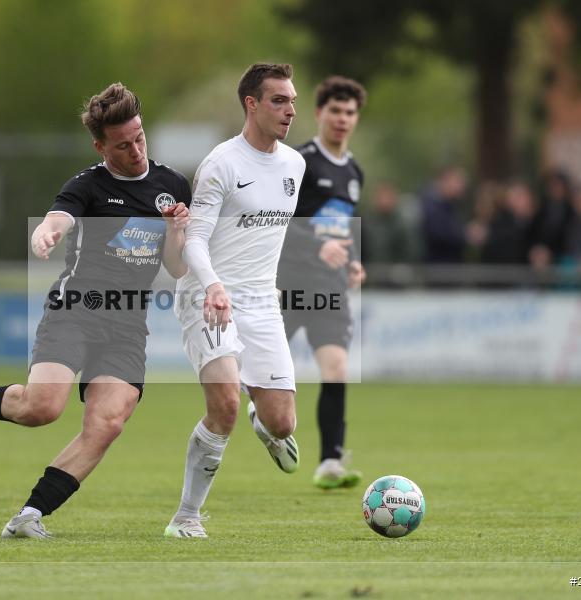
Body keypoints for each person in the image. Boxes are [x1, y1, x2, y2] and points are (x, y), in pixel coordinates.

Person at [0, 82, 191, 539]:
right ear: (100, 146)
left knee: (108, 423)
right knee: (42, 408)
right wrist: (46, 232)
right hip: (75, 311)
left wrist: (176, 232)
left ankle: (29, 515)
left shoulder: (172, 185)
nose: (136, 150)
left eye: (140, 137)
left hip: (127, 324)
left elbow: (178, 269)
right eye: (123, 145)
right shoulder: (87, 185)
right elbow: (59, 215)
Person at [164, 63, 306, 538]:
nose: (290, 110)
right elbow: (195, 241)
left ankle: (263, 421)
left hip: (261, 301)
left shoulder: (295, 165)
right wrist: (214, 286)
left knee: (283, 423)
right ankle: (186, 517)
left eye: (292, 101)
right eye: (279, 100)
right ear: (252, 104)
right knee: (223, 405)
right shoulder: (221, 163)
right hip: (208, 297)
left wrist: (269, 282)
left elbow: (269, 236)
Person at [276, 75, 366, 489]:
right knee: (266, 370)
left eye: (350, 112)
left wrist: (353, 262)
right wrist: (316, 245)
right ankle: (266, 417)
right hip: (289, 281)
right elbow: (276, 222)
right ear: (319, 113)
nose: (343, 119)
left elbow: (342, 230)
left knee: (337, 369)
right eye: (336, 111)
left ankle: (330, 460)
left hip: (330, 287)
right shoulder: (298, 161)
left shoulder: (354, 172)